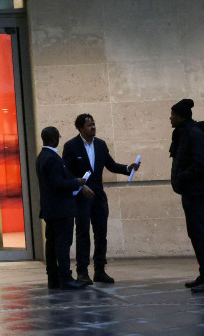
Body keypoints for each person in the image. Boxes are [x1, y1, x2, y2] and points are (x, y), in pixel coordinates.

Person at [62, 114, 139, 285]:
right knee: (83, 233)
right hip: (81, 197)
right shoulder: (71, 146)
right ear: (80, 128)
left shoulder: (100, 144)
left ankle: (100, 270)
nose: (93, 127)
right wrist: (80, 186)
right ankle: (82, 271)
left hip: (98, 197)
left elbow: (111, 165)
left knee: (101, 233)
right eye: (89, 125)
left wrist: (128, 168)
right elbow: (67, 172)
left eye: (94, 124)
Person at [169, 98, 204, 294]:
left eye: (173, 114)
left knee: (202, 235)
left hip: (197, 192)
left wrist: (182, 177)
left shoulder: (194, 133)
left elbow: (201, 163)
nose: (170, 118)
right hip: (190, 191)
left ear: (181, 116)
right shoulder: (184, 132)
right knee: (196, 234)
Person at [38, 127, 91, 290]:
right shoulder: (52, 158)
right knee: (62, 245)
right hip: (61, 209)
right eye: (58, 137)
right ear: (54, 139)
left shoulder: (42, 157)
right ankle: (65, 279)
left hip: (50, 209)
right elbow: (58, 183)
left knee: (52, 244)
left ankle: (53, 278)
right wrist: (77, 182)